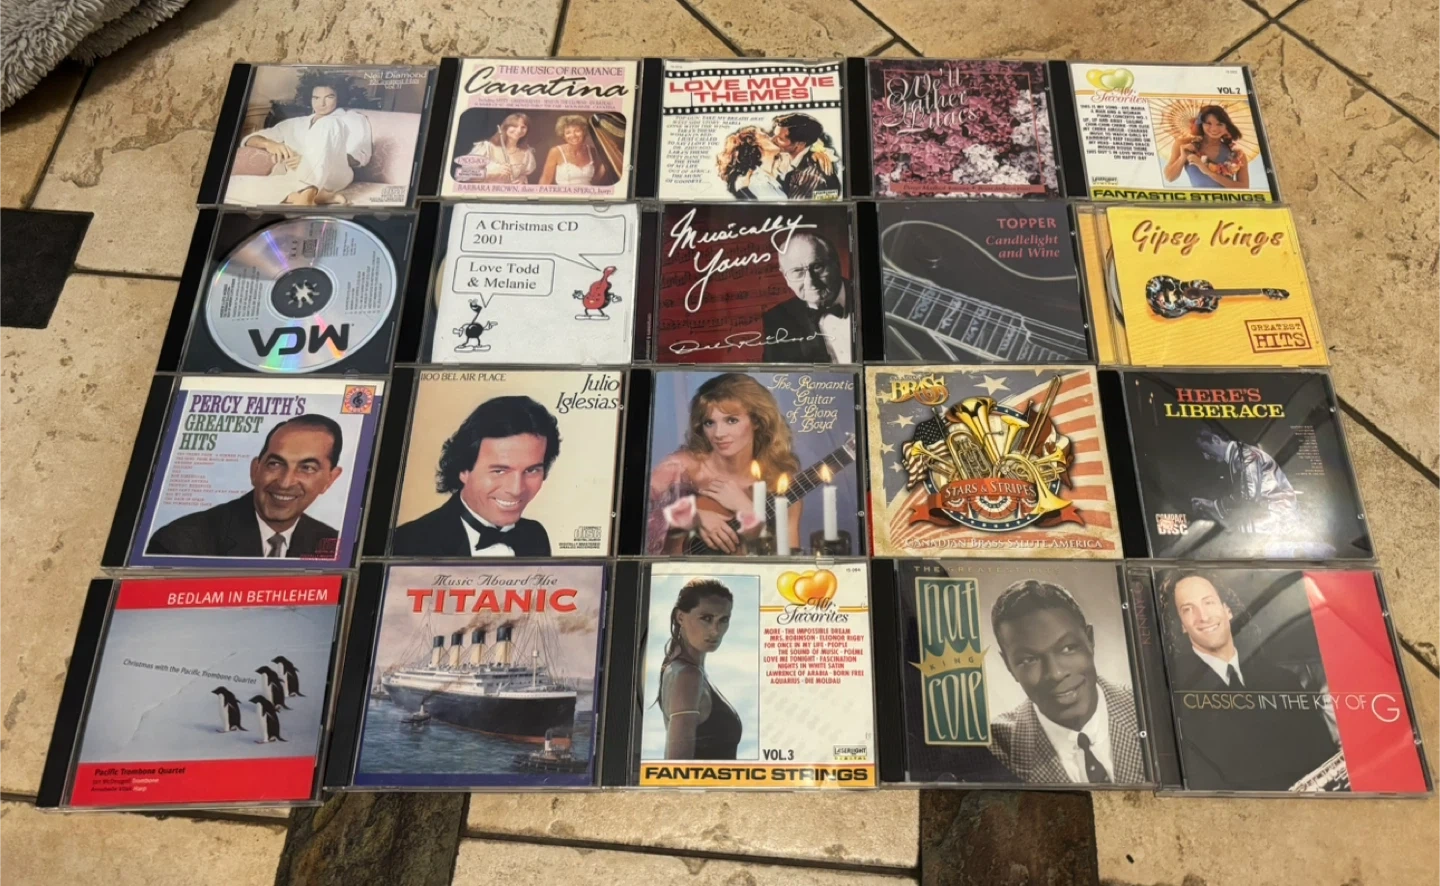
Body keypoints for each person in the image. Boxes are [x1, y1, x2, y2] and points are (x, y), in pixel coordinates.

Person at [1162, 572, 1339, 791]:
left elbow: (1322, 753)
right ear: (1181, 625)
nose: (1203, 617)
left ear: (1227, 610)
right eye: (1188, 610)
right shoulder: (1173, 696)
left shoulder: (1284, 680)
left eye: (1208, 603)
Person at [988, 580, 1146, 785]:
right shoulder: (993, 748)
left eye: (1068, 648)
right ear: (1008, 666)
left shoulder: (1150, 711)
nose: (1055, 673)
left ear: (1090, 640)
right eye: (1029, 659)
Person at [146, 415, 344, 558]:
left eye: (307, 468)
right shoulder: (179, 542)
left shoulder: (333, 545)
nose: (285, 483)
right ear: (255, 470)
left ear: (330, 479)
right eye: (275, 464)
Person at [647, 373, 801, 556]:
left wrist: (748, 511)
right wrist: (693, 516)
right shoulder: (679, 468)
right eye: (709, 423)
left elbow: (787, 562)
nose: (718, 433)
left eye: (731, 420)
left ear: (757, 421)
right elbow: (631, 518)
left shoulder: (781, 486)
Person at [392, 396, 559, 557]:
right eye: (499, 471)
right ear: (463, 470)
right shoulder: (406, 542)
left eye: (531, 470)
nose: (516, 490)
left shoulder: (535, 536)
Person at [237, 76, 372, 206]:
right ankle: (320, 197)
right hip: (295, 176)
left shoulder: (352, 119)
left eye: (329, 97)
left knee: (328, 122)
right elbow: (249, 139)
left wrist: (309, 161)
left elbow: (360, 157)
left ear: (339, 98)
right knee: (236, 186)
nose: (321, 103)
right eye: (316, 98)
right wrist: (268, 144)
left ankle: (307, 198)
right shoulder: (295, 123)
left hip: (334, 176)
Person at [655, 578, 742, 760]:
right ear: (680, 617)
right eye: (706, 619)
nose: (715, 631)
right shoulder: (687, 675)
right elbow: (677, 766)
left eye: (723, 620)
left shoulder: (684, 669)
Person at [762, 231, 852, 364]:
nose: (810, 282)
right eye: (797, 271)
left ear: (837, 264)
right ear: (785, 277)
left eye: (817, 267)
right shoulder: (777, 319)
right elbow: (776, 374)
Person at [1191, 428, 1297, 534]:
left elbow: (1248, 495)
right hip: (1275, 513)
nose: (1206, 457)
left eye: (1205, 450)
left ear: (1216, 439)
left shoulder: (1243, 455)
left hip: (1281, 516)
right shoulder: (1237, 456)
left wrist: (1214, 505)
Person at [1163, 105, 1250, 190]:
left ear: (1226, 127)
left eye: (1220, 124)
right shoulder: (1184, 145)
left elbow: (1244, 188)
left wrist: (1208, 172)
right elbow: (1169, 177)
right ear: (1201, 124)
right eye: (1208, 123)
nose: (1214, 129)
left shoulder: (1237, 155)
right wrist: (1182, 157)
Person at [771, 113, 841, 200]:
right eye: (774, 135)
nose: (772, 140)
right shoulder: (784, 158)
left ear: (800, 143)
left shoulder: (810, 173)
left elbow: (796, 204)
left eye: (780, 139)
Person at [461, 113, 537, 185]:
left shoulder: (526, 154)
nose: (519, 130)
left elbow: (523, 173)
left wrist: (522, 177)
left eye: (523, 127)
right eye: (514, 126)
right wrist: (490, 171)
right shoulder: (486, 147)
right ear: (505, 127)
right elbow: (464, 174)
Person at [716, 127, 788, 200]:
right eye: (765, 137)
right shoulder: (757, 181)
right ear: (756, 146)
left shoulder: (772, 177)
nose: (772, 138)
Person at [539, 115, 606, 187]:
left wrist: (605, 166)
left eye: (577, 131)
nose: (573, 135)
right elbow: (546, 180)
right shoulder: (556, 151)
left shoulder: (591, 150)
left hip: (588, 193)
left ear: (584, 132)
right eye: (568, 133)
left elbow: (594, 180)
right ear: (563, 136)